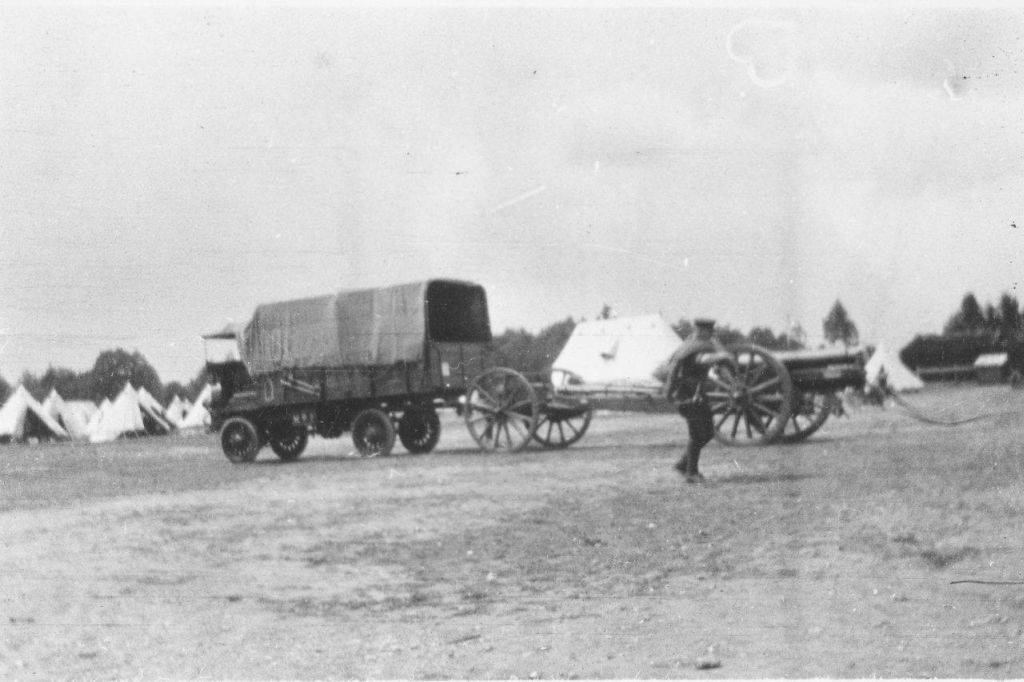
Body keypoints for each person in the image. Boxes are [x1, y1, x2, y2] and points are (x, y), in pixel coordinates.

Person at [656, 319, 731, 483]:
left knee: (708, 433)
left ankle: (684, 464)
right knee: (697, 434)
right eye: (709, 330)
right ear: (701, 330)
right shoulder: (692, 347)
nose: (712, 333)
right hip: (687, 396)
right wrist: (722, 355)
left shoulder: (699, 344)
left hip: (697, 396)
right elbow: (701, 360)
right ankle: (691, 473)